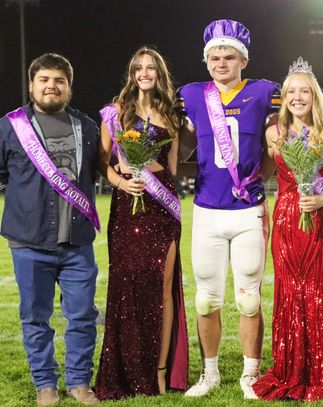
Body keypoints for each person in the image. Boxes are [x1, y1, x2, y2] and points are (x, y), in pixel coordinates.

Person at [177, 19, 280, 399]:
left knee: (249, 296)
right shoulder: (191, 94)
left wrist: (260, 177)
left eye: (229, 56)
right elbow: (179, 147)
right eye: (215, 57)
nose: (222, 62)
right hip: (207, 209)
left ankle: (250, 374)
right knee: (205, 297)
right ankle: (210, 373)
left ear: (243, 60)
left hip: (247, 210)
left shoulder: (264, 92)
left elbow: (275, 145)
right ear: (207, 62)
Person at [251, 58, 323, 401]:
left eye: (304, 91)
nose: (297, 97)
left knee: (318, 295)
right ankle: (289, 370)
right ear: (284, 97)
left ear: (315, 96)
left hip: (319, 223)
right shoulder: (274, 132)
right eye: (291, 92)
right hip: (286, 221)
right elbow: (263, 172)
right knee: (289, 294)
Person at [0, 53, 100, 406]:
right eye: (43, 79)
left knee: (83, 316)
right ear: (31, 84)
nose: (51, 86)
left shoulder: (87, 127)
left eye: (59, 80)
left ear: (69, 87)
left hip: (77, 243)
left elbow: (101, 170)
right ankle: (45, 385)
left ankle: (79, 383)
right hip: (29, 241)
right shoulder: (10, 127)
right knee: (35, 318)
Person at [95, 46, 188, 399]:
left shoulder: (172, 117)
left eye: (151, 68)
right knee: (125, 288)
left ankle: (159, 373)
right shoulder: (114, 114)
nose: (145, 72)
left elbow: (175, 170)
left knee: (163, 291)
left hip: (162, 210)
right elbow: (101, 162)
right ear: (132, 74)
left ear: (159, 74)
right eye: (139, 67)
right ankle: (126, 370)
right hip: (127, 206)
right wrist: (121, 181)